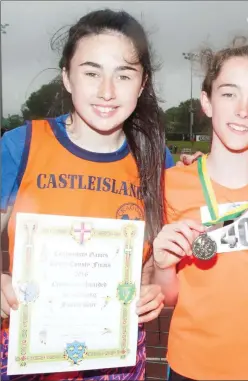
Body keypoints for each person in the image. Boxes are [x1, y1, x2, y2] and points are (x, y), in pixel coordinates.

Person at [0, 9, 171, 380]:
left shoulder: (158, 160)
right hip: (27, 349)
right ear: (67, 77)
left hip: (115, 352)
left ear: (142, 84)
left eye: (124, 75)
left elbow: (156, 259)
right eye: (92, 72)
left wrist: (152, 288)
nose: (107, 91)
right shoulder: (21, 146)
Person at [152, 37, 248, 381]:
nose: (243, 110)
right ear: (207, 101)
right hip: (192, 365)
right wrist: (162, 265)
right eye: (229, 93)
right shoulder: (171, 184)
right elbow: (169, 295)